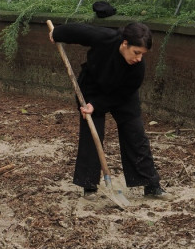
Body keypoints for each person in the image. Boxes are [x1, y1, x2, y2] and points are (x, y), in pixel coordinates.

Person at [49, 21, 166, 198]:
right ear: (125, 43)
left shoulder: (137, 69)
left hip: (121, 95)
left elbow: (122, 94)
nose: (139, 58)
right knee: (92, 130)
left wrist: (98, 104)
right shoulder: (106, 38)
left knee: (135, 132)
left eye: (143, 54)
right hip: (92, 87)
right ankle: (89, 185)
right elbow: (79, 31)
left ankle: (151, 184)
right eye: (136, 52)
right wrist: (57, 33)